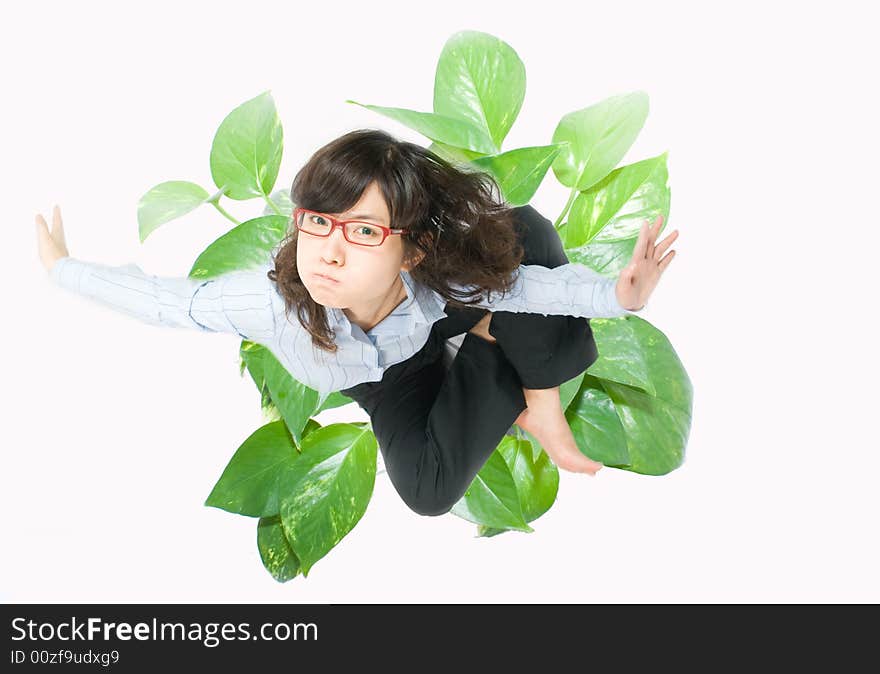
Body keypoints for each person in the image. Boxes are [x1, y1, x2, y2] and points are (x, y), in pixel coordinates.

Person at [36, 129, 678, 517]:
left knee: (524, 237)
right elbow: (165, 301)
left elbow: (530, 285)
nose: (328, 251)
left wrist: (621, 295)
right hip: (383, 379)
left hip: (424, 321)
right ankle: (490, 339)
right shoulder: (270, 304)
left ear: (411, 249)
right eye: (316, 221)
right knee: (427, 494)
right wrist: (62, 268)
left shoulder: (429, 274)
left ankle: (542, 401)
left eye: (363, 230)